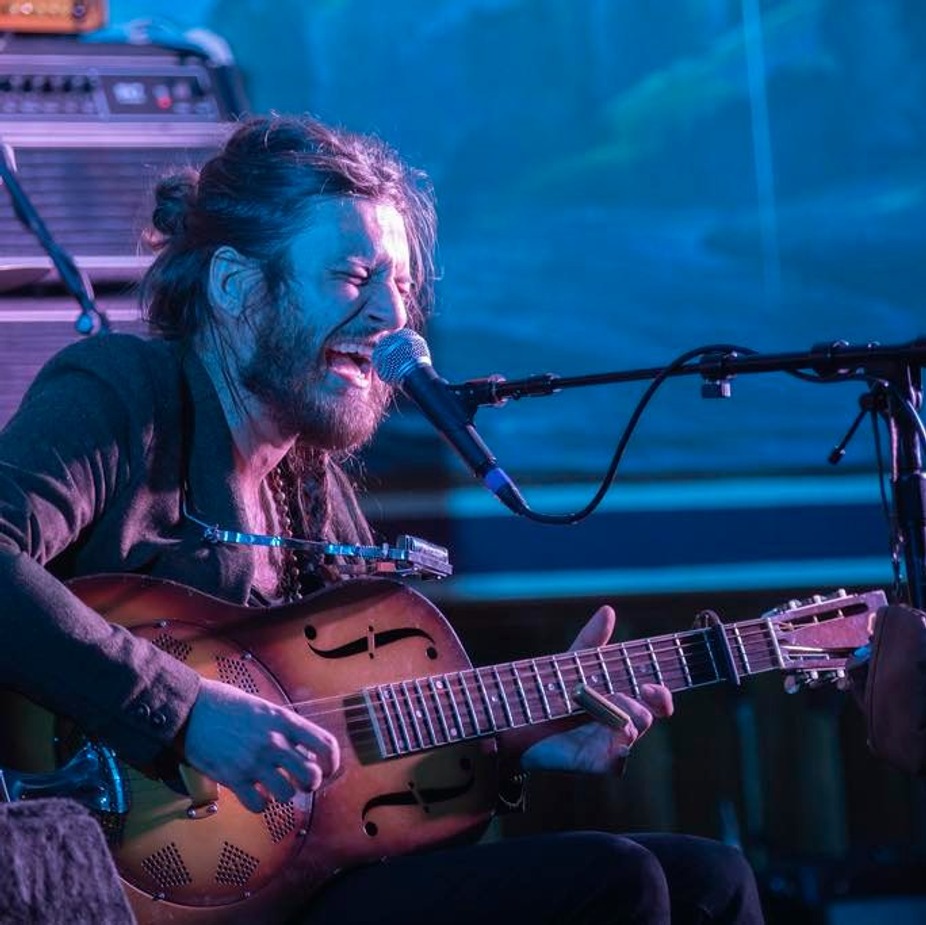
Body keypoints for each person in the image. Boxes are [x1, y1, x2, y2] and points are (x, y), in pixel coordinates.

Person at [0, 113, 764, 923]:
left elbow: (352, 749)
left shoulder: (312, 485)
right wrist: (182, 709)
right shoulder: (122, 394)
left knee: (711, 879)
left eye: (400, 286)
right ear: (235, 287)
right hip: (116, 877)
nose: (391, 318)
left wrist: (514, 740)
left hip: (298, 880)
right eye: (353, 276)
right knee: (618, 879)